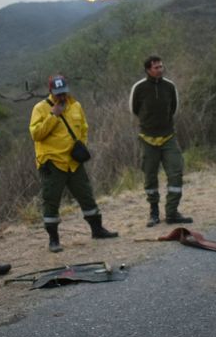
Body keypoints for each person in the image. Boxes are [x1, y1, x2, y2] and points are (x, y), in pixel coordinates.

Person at [29, 75, 118, 253]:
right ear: (51, 92)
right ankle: (54, 240)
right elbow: (36, 134)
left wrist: (80, 145)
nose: (61, 97)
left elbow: (83, 127)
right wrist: (53, 115)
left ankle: (97, 230)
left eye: (63, 93)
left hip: (74, 162)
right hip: (53, 163)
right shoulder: (40, 108)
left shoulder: (76, 106)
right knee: (51, 201)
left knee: (86, 195)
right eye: (58, 94)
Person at [129, 56, 193, 227]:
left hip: (168, 137)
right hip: (147, 139)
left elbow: (174, 108)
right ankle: (154, 213)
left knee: (176, 172)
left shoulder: (170, 86)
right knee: (150, 177)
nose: (160, 70)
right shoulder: (139, 88)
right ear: (148, 70)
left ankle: (172, 213)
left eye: (161, 66)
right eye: (156, 67)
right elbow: (134, 109)